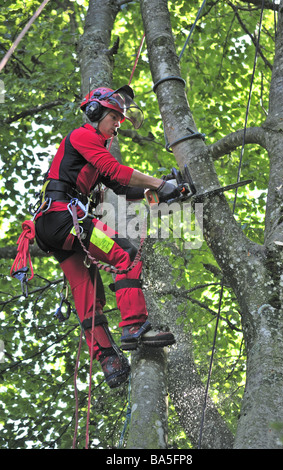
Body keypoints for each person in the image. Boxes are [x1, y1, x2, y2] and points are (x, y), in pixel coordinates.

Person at [34, 85, 181, 388]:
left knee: (89, 297)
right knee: (126, 254)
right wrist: (160, 184)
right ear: (94, 112)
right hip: (66, 220)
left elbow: (123, 187)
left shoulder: (90, 152)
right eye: (114, 117)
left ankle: (111, 362)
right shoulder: (82, 135)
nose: (117, 125)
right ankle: (135, 327)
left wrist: (162, 188)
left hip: (55, 228)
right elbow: (115, 168)